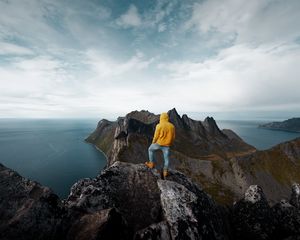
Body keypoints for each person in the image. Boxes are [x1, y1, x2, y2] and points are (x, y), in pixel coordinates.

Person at [145, 112, 175, 177]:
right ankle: (165, 171)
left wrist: (153, 142)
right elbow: (173, 137)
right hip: (167, 145)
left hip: (158, 144)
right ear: (167, 118)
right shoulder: (172, 126)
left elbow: (156, 136)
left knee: (150, 149)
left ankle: (151, 164)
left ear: (161, 118)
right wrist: (170, 143)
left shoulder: (159, 126)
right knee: (166, 158)